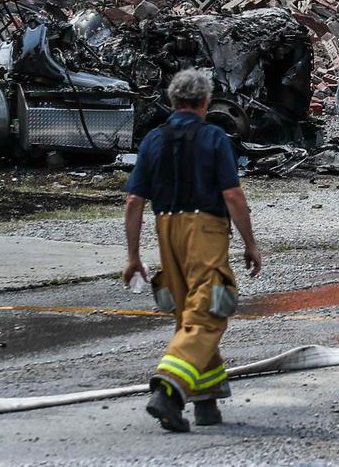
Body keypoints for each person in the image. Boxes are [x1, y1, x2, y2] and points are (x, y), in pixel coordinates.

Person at [121, 68, 264, 432]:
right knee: (212, 308)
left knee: (189, 313)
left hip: (166, 229)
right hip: (205, 229)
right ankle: (168, 389)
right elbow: (232, 195)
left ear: (172, 102)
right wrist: (250, 243)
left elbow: (134, 200)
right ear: (205, 102)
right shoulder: (214, 137)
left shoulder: (153, 139)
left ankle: (206, 401)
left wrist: (134, 257)